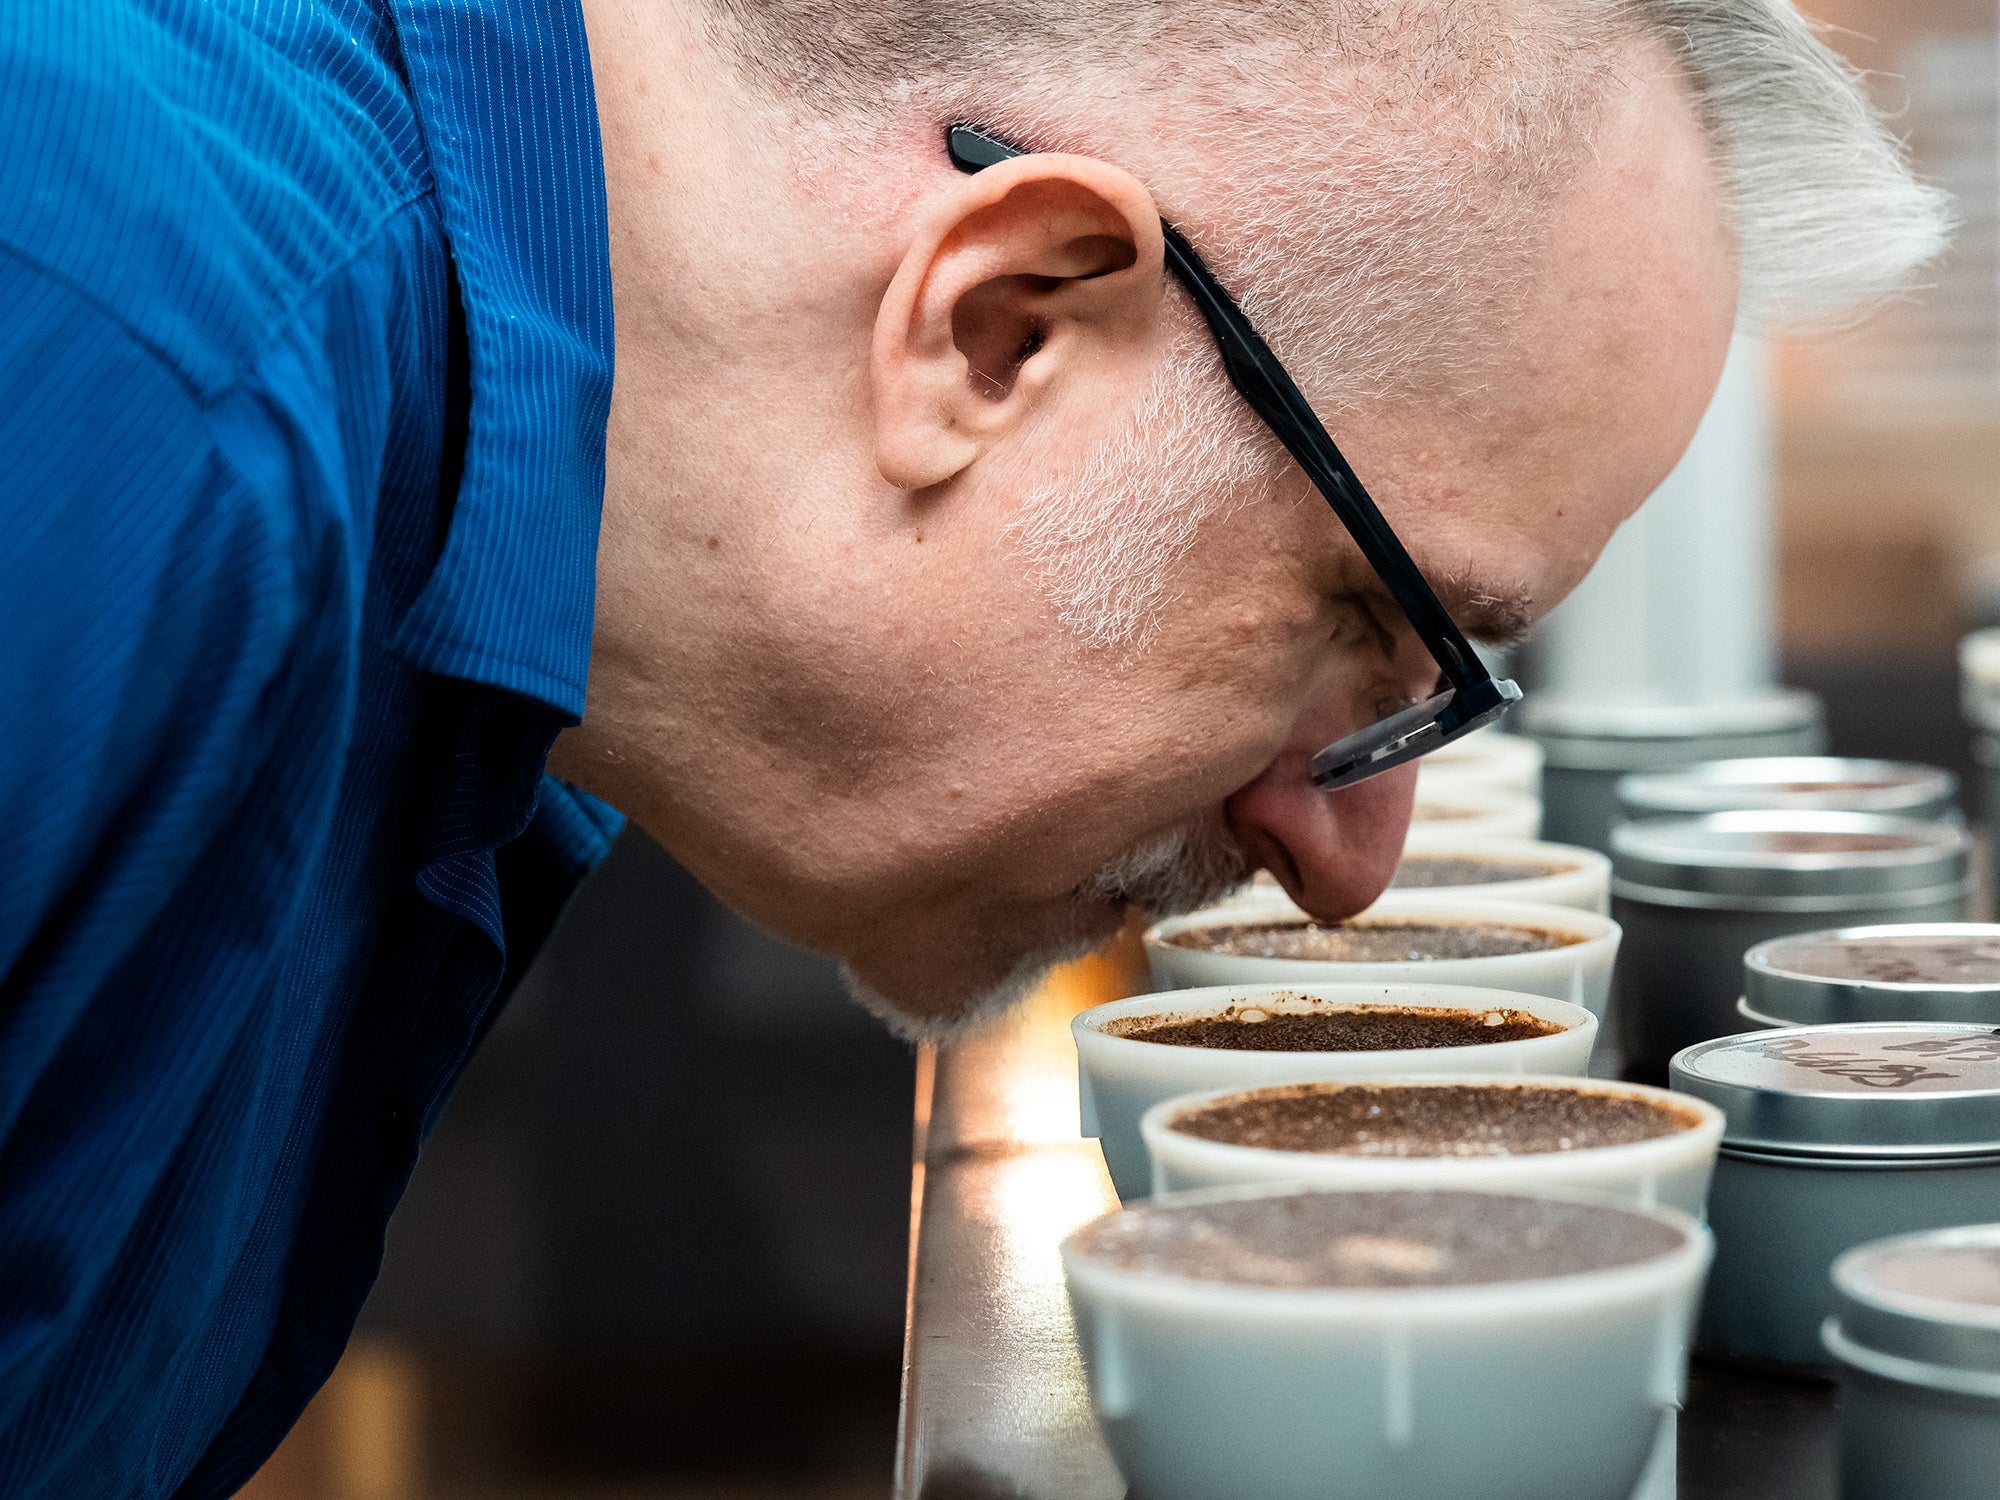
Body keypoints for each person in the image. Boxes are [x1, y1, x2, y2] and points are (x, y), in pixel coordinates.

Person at [0, 0, 1947, 1491]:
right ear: (997, 325)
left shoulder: (442, 542)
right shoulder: (113, 374)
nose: (1353, 861)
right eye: (1370, 628)